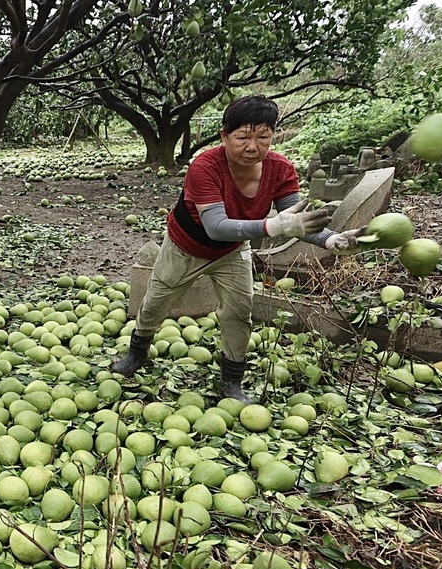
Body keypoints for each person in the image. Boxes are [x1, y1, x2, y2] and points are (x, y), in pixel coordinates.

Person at [112, 95, 364, 404]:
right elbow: (216, 225)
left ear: (274, 135)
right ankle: (137, 352)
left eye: (263, 137)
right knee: (155, 304)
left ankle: (231, 381)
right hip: (186, 246)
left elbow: (295, 220)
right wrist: (274, 227)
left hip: (231, 251)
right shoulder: (205, 165)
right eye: (243, 137)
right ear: (224, 136)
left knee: (239, 312)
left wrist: (330, 239)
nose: (252, 146)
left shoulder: (281, 169)